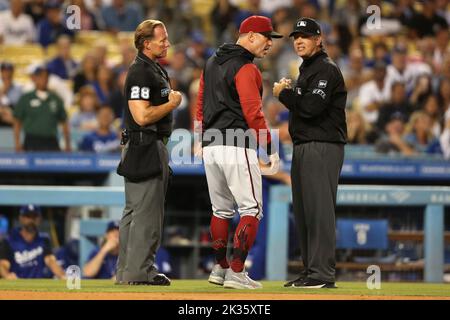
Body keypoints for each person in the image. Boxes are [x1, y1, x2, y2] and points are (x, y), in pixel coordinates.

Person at [196, 15, 282, 289]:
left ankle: (220, 269)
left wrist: (199, 139)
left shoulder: (210, 62)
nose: (270, 43)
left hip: (211, 144)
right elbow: (253, 113)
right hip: (237, 143)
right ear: (252, 36)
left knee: (220, 210)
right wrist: (269, 147)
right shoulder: (246, 67)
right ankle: (236, 271)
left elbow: (200, 103)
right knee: (251, 209)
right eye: (268, 36)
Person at [273, 17, 347, 288]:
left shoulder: (326, 69)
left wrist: (284, 94)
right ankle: (311, 271)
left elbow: (312, 107)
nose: (299, 41)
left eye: (305, 36)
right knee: (305, 212)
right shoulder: (308, 69)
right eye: (296, 37)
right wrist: (291, 92)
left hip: (322, 145)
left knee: (319, 211)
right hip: (304, 146)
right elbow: (306, 105)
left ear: (319, 39)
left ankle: (322, 274)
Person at [115, 19, 182, 286]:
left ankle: (130, 272)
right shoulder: (141, 72)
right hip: (145, 144)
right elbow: (142, 116)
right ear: (146, 43)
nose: (167, 43)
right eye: (162, 39)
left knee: (136, 213)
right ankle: (139, 273)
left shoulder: (150, 69)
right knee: (145, 214)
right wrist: (172, 103)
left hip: (146, 144)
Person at [13, 64, 71, 152]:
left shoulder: (55, 98)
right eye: (41, 76)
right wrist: (17, 143)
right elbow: (17, 121)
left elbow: (64, 121)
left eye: (46, 76)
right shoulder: (26, 98)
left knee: (54, 164)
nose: (44, 79)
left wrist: (67, 144)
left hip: (51, 140)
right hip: (31, 140)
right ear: (34, 78)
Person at [0, 205, 65, 279]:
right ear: (21, 218)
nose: (31, 220)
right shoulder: (9, 240)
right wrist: (7, 275)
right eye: (28, 216)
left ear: (40, 219)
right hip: (17, 285)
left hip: (38, 286)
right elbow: (3, 264)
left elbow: (50, 260)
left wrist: (62, 275)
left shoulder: (44, 239)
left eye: (34, 216)